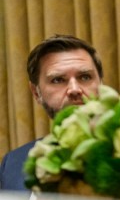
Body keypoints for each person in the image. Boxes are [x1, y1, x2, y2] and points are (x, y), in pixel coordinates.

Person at [1, 35, 104, 191]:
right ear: (36, 92)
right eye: (58, 80)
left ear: (101, 84)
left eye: (85, 77)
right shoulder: (13, 164)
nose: (74, 89)